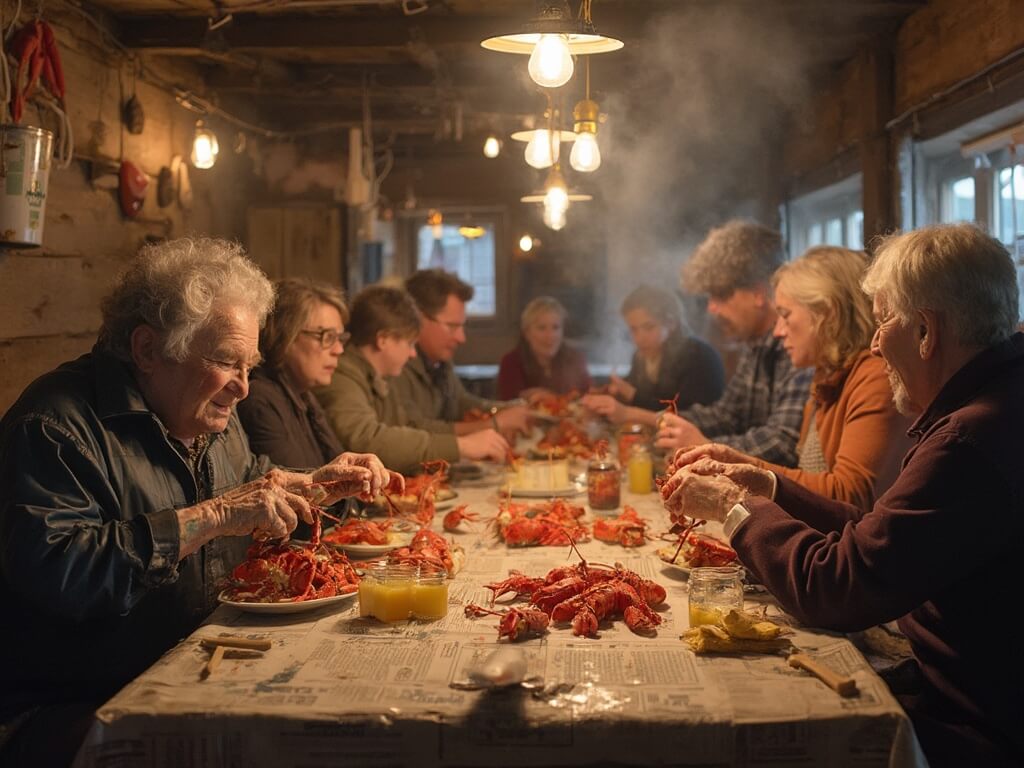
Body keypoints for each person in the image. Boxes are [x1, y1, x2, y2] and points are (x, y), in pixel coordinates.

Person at [0, 239, 392, 767]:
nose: (244, 388)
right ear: (146, 350)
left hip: (195, 667)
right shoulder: (53, 426)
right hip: (82, 702)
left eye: (250, 365)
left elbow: (254, 488)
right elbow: (62, 575)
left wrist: (320, 486)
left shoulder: (205, 416)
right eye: (226, 361)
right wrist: (212, 517)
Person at [661, 223, 1024, 768]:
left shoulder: (965, 441)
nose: (875, 343)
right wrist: (772, 486)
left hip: (971, 724)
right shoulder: (995, 399)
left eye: (883, 322)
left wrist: (732, 508)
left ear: (926, 331)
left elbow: (836, 589)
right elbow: (876, 530)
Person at [668, 247, 910, 511]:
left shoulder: (875, 376)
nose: (779, 330)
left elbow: (850, 495)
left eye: (785, 315)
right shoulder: (827, 374)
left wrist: (746, 470)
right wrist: (734, 460)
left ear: (826, 313)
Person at [652, 220, 813, 467]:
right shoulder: (755, 344)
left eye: (722, 294)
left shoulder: (798, 345)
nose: (711, 307)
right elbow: (726, 415)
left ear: (759, 293)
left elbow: (784, 443)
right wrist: (658, 421)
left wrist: (705, 446)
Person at [318, 285, 510, 475]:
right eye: (409, 344)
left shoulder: (380, 376)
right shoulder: (341, 375)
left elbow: (412, 426)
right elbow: (367, 440)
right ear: (382, 339)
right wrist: (461, 446)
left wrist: (470, 440)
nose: (412, 354)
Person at [395, 268, 531, 438]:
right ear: (419, 319)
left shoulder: (438, 360)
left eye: (462, 326)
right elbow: (414, 432)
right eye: (452, 326)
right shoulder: (395, 364)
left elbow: (461, 403)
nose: (461, 338)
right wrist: (495, 424)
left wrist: (515, 408)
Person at [237, 278, 346, 468]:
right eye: (327, 337)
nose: (339, 349)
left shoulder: (303, 394)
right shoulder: (260, 402)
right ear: (286, 337)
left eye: (340, 338)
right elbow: (302, 490)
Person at [581, 285, 724, 417]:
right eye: (633, 329)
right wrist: (612, 393)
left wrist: (631, 395)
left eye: (649, 327)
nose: (639, 338)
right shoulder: (640, 356)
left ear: (671, 323)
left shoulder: (699, 357)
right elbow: (637, 391)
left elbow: (682, 414)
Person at [496, 296, 591, 401]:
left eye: (556, 327)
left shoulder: (575, 359)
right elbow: (508, 405)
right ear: (527, 333)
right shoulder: (511, 362)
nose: (550, 335)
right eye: (541, 328)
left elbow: (589, 397)